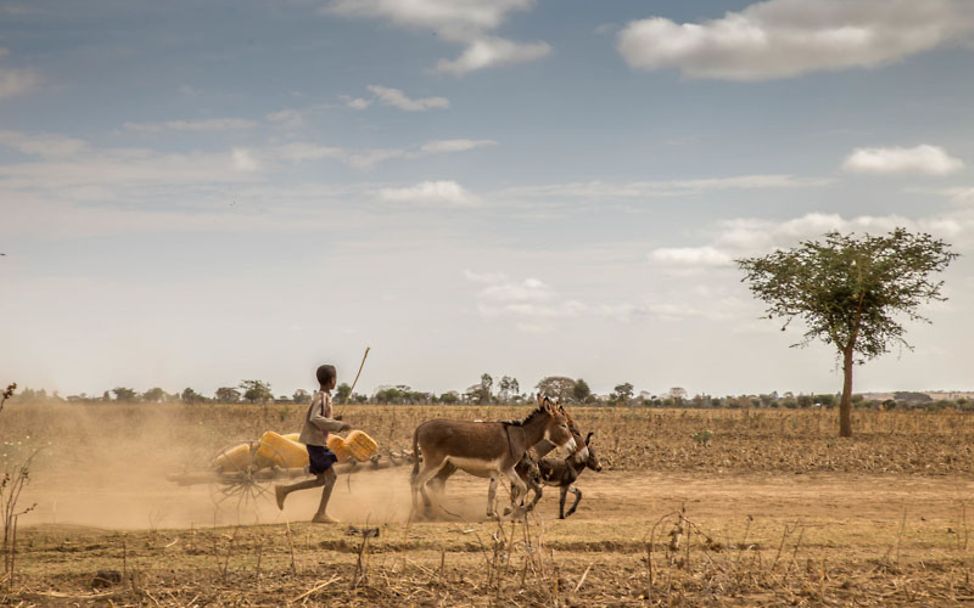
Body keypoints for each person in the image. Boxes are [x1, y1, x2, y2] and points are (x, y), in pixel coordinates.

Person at [275, 364, 350, 523]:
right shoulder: (322, 398)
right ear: (332, 380)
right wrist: (338, 426)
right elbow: (315, 418)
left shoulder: (323, 397)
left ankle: (284, 490)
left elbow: (320, 420)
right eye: (335, 379)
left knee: (321, 480)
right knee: (332, 477)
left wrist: (333, 421)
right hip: (316, 444)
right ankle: (321, 514)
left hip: (316, 442)